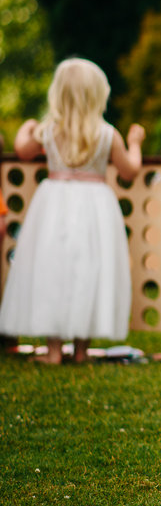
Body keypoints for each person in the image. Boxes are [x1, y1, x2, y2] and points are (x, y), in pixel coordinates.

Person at [0, 58, 145, 364]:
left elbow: (23, 148)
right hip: (95, 206)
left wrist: (27, 126)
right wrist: (135, 142)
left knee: (51, 269)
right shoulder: (108, 134)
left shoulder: (49, 130)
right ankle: (81, 349)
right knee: (90, 270)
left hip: (54, 205)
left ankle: (53, 351)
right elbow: (130, 170)